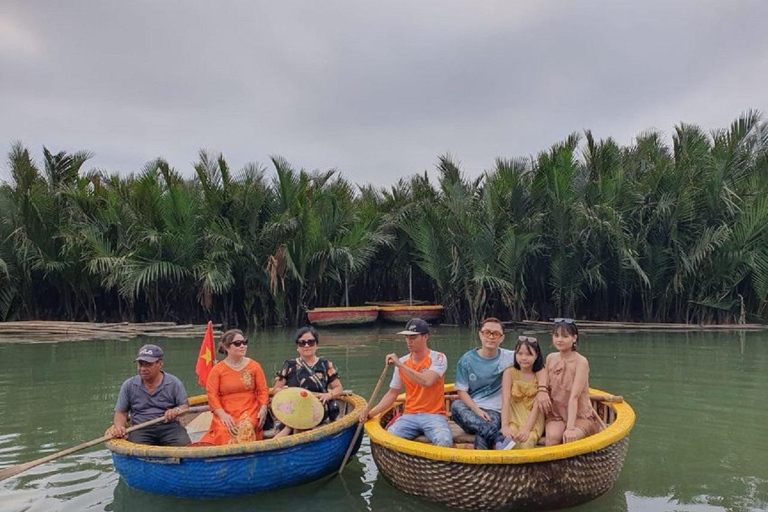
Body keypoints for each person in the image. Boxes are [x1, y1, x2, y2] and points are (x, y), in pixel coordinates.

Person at [361, 318, 453, 447]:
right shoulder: (403, 362)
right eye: (407, 337)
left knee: (444, 441)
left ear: (425, 337)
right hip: (409, 415)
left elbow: (427, 381)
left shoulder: (438, 358)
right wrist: (370, 413)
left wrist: (400, 365)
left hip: (434, 415)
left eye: (413, 337)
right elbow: (392, 394)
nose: (409, 341)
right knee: (388, 439)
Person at [450, 317, 516, 449]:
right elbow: (461, 391)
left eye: (496, 334)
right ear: (480, 334)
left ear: (502, 338)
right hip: (473, 410)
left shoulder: (510, 357)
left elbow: (537, 362)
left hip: (496, 411)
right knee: (456, 405)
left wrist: (543, 388)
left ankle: (480, 465)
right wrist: (477, 410)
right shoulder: (466, 360)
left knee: (485, 432)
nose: (491, 337)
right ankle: (498, 438)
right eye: (487, 332)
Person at [200, 329, 270, 445]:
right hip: (225, 410)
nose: (242, 346)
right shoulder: (217, 370)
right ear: (227, 347)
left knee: (245, 428)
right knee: (224, 431)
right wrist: (222, 414)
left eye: (244, 342)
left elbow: (262, 390)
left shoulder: (254, 366)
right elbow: (212, 395)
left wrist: (263, 408)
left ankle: (248, 460)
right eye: (238, 343)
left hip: (249, 408)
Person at [112, 344, 191, 446]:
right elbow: (121, 413)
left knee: (184, 445)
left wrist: (176, 411)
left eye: (148, 365)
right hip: (140, 428)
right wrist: (119, 427)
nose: (143, 369)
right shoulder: (129, 385)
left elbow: (185, 407)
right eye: (140, 365)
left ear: (160, 363)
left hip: (169, 427)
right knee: (137, 449)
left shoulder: (173, 382)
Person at [273, 326, 344, 437]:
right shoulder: (289, 365)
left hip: (318, 406)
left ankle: (285, 434)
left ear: (316, 345)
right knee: (296, 414)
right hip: (294, 407)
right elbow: (276, 389)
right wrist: (285, 392)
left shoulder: (325, 365)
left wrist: (328, 395)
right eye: (302, 343)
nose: (306, 345)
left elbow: (338, 388)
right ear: (297, 347)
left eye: (310, 342)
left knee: (299, 418)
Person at [544, 318, 602, 445]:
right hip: (556, 414)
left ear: (574, 338)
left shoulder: (581, 362)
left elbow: (574, 396)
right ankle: (552, 465)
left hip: (579, 416)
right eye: (556, 335)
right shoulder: (550, 358)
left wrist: (570, 428)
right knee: (553, 437)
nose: (559, 340)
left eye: (565, 336)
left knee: (570, 438)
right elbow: (545, 387)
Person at [498, 336, 547, 449]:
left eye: (529, 354)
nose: (523, 358)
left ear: (537, 355)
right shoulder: (509, 372)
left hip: (533, 418)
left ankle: (526, 467)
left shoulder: (540, 374)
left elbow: (537, 406)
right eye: (520, 353)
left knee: (527, 440)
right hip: (513, 416)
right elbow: (505, 400)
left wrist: (527, 428)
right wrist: (504, 426)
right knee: (510, 439)